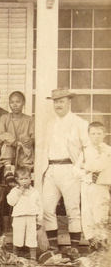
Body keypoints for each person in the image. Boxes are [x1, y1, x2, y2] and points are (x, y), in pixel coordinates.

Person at [40, 87, 90, 254]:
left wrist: (78, 168)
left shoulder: (80, 123)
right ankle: (53, 247)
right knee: (47, 208)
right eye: (55, 101)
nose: (58, 105)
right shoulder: (50, 124)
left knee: (72, 209)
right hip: (51, 169)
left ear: (69, 102)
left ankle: (74, 248)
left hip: (70, 169)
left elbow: (87, 148)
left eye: (61, 101)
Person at [74, 122, 111, 248]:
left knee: (100, 216)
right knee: (87, 216)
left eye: (99, 134)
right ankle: (92, 247)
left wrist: (87, 166)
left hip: (100, 186)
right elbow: (75, 170)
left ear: (104, 135)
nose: (96, 136)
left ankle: (102, 249)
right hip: (87, 185)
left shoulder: (107, 150)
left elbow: (100, 166)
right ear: (89, 135)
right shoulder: (85, 151)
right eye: (93, 134)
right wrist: (84, 170)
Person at [0, 91, 35, 183]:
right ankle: (8, 171)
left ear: (23, 103)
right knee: (7, 138)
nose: (15, 105)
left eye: (18, 102)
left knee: (26, 139)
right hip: (9, 153)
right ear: (9, 104)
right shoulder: (4, 118)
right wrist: (12, 140)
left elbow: (34, 135)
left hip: (24, 153)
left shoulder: (30, 120)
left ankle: (26, 170)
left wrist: (31, 140)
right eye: (12, 102)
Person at [7, 165, 42, 260]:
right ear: (17, 180)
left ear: (31, 179)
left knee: (31, 237)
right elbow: (10, 202)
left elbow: (40, 206)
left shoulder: (34, 192)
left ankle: (33, 257)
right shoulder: (14, 191)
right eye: (21, 179)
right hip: (19, 217)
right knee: (18, 236)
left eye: (26, 178)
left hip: (31, 217)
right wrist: (19, 192)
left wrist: (39, 220)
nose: (24, 181)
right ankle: (14, 256)